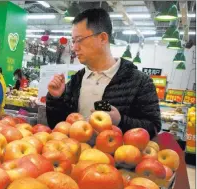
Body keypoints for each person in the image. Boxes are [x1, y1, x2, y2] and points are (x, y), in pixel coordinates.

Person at [46, 8, 161, 138]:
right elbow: (57, 126)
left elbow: (154, 129)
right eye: (73, 41)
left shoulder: (139, 82)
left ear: (102, 38)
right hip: (76, 155)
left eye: (79, 40)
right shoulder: (75, 81)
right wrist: (56, 99)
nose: (74, 47)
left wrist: (120, 121)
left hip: (117, 157)